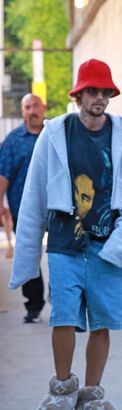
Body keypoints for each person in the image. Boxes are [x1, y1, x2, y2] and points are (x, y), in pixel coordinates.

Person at [9, 59, 122, 410]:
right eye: (92, 91)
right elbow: (34, 194)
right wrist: (27, 258)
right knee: (64, 315)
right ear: (79, 94)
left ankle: (92, 396)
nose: (99, 97)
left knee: (103, 321)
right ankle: (62, 389)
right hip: (66, 242)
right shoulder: (55, 133)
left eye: (104, 92)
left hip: (107, 244)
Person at [0, 94, 46, 321]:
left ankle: (62, 299)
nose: (32, 110)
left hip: (58, 210)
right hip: (24, 211)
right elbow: (3, 175)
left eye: (35, 106)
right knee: (29, 256)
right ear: (22, 111)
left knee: (62, 256)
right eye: (27, 107)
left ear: (44, 108)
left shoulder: (56, 134)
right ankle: (33, 305)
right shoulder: (13, 140)